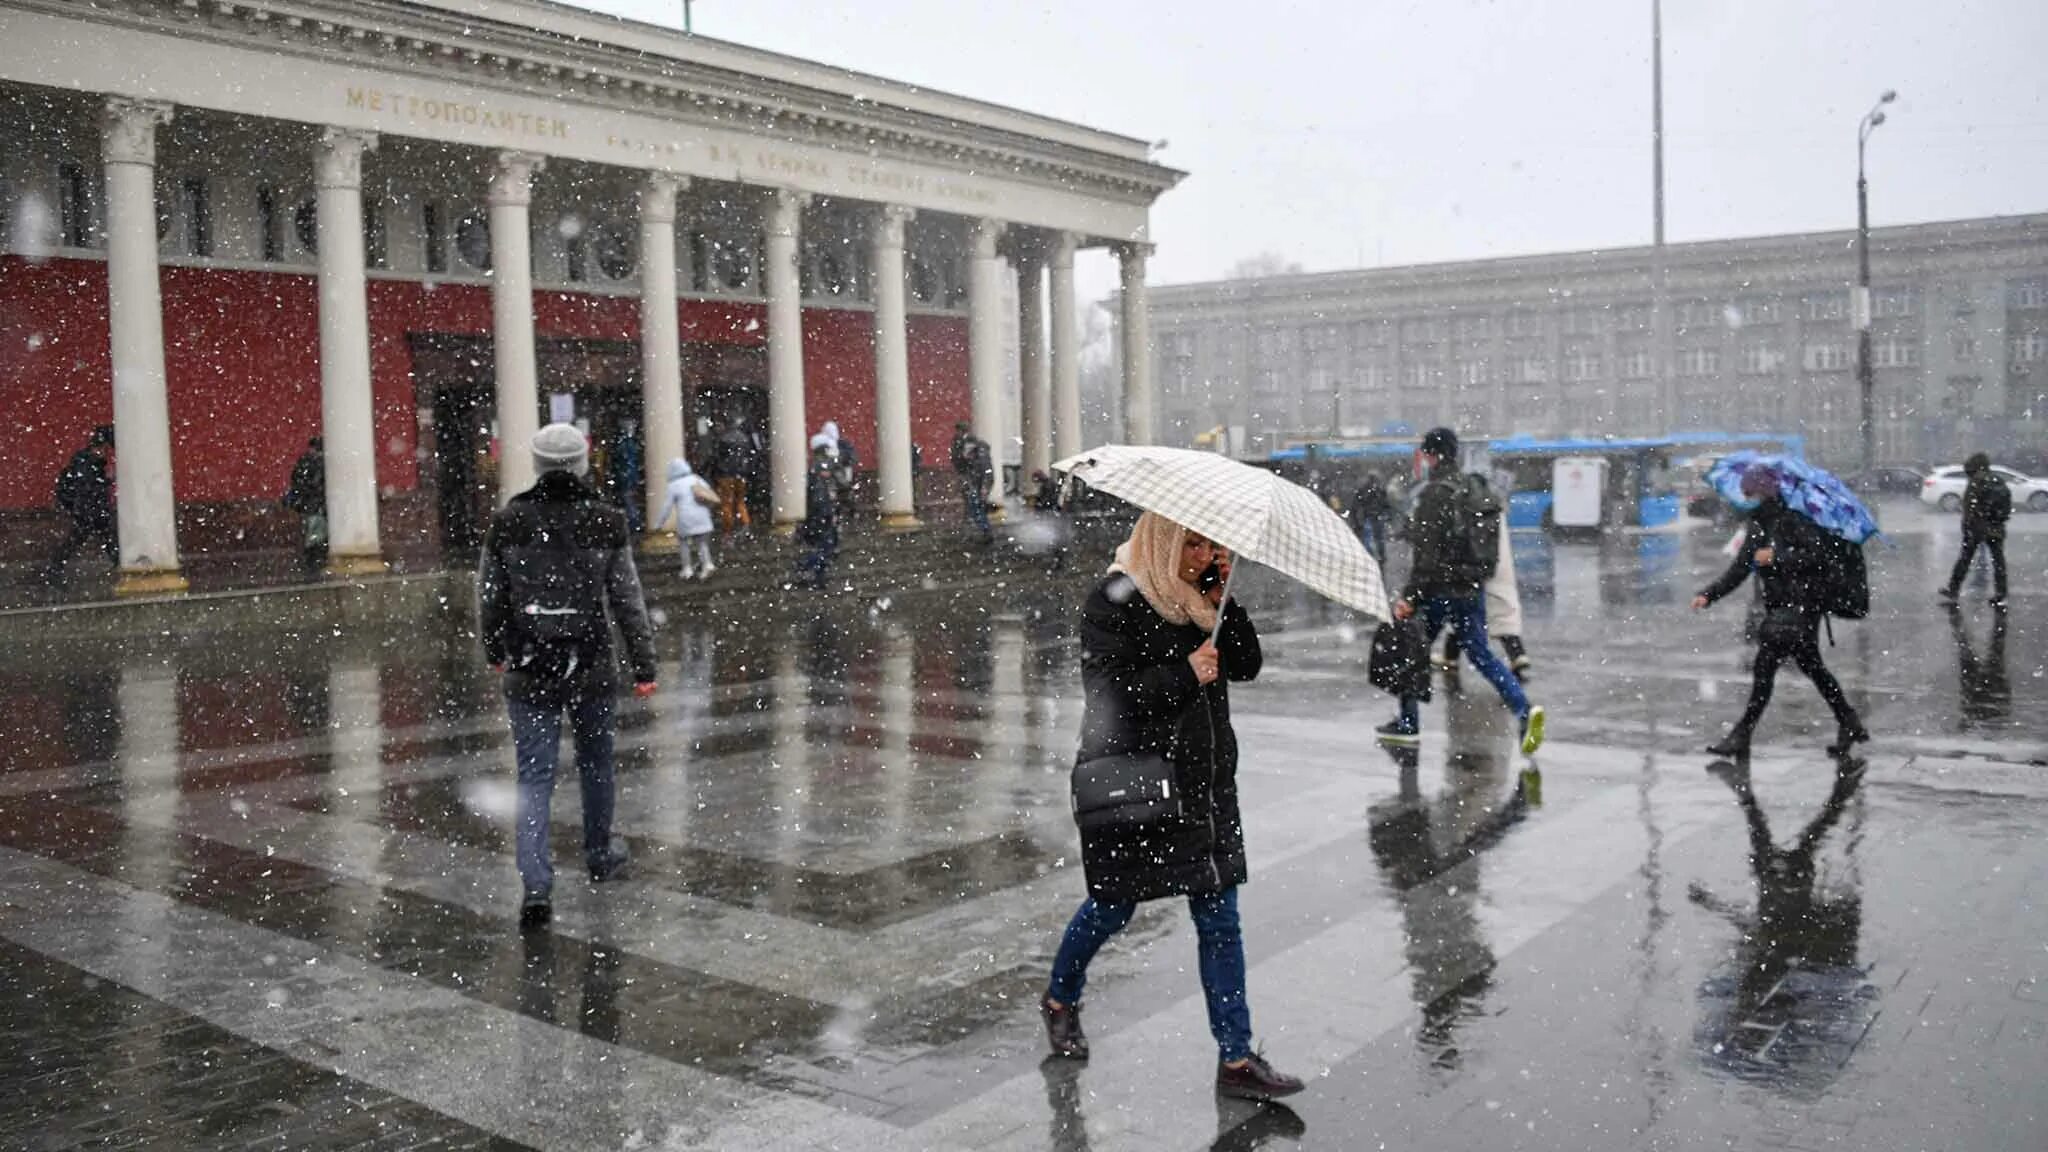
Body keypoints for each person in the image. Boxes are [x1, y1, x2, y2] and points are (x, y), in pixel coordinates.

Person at [1040, 511, 1306, 1102]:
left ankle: (1235, 1060)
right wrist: (1184, 674)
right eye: (1191, 543)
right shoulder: (1115, 600)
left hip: (1205, 790)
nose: (1202, 554)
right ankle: (1060, 998)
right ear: (1160, 541)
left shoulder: (1201, 599)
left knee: (1219, 921)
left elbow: (1247, 664)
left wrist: (1224, 603)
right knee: (1112, 909)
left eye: (1210, 543)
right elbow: (1108, 696)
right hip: (1140, 789)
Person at [477, 423, 658, 930]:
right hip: (591, 663)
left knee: (533, 777)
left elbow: (489, 596)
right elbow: (626, 598)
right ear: (581, 463)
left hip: (529, 664)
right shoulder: (606, 520)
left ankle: (536, 884)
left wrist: (496, 648)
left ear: (536, 464)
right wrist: (643, 664)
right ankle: (599, 853)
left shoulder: (508, 521)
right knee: (596, 764)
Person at [1378, 428, 1546, 754]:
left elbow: (1426, 558)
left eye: (1425, 455)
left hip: (1439, 590)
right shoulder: (1474, 489)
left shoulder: (1434, 494)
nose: (1423, 461)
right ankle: (1524, 710)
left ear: (1433, 455)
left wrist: (1409, 597)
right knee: (1481, 655)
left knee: (1412, 652)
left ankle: (1408, 724)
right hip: (1471, 589)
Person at [1692, 469, 1868, 758]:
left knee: (1765, 671)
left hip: (1802, 606)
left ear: (1766, 492)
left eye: (1751, 494)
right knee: (1813, 668)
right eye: (1745, 495)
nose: (1747, 499)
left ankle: (1741, 736)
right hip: (1781, 607)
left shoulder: (1795, 517)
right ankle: (1848, 721)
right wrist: (1709, 594)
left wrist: (1779, 556)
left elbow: (1820, 558)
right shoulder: (1758, 524)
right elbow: (1740, 568)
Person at [1439, 524, 1534, 686]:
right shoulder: (1494, 509)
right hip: (1493, 549)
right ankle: (1516, 651)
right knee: (1502, 600)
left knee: (1462, 608)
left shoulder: (1461, 507)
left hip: (1469, 556)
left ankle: (1451, 656)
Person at [45, 424, 117, 585]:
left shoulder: (86, 459)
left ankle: (53, 571)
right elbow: (88, 487)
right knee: (103, 540)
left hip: (89, 510)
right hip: (90, 511)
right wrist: (107, 480)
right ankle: (53, 571)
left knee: (93, 540)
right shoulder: (87, 461)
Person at [1937, 453, 2009, 608]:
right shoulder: (1998, 480)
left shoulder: (1976, 481)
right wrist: (1998, 521)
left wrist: (1968, 525)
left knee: (1965, 559)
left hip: (1976, 528)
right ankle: (2001, 594)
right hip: (1996, 527)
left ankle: (1953, 589)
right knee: (1998, 562)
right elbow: (2006, 506)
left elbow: (1970, 507)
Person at [653, 456, 720, 580]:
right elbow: (708, 493)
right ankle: (707, 563)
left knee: (684, 543)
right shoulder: (696, 479)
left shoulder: (674, 485)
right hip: (703, 516)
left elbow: (666, 507)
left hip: (686, 518)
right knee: (702, 543)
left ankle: (687, 568)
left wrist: (658, 524)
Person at [791, 444, 840, 589]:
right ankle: (805, 566)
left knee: (825, 550)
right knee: (825, 550)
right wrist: (827, 517)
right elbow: (819, 503)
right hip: (822, 520)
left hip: (820, 519)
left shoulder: (816, 479)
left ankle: (819, 578)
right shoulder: (819, 482)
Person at [281, 436, 327, 580]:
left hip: (310, 506)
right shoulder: (320, 462)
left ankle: (312, 567)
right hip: (317, 506)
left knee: (312, 536)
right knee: (317, 537)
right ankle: (314, 567)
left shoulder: (306, 462)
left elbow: (298, 482)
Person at [951, 421, 993, 540]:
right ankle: (982, 530)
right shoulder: (962, 443)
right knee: (973, 505)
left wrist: (984, 486)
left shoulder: (974, 446)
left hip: (976, 480)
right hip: (972, 479)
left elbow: (985, 469)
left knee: (975, 505)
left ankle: (985, 531)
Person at [709, 423, 753, 536]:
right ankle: (745, 523)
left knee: (726, 503)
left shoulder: (723, 439)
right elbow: (750, 456)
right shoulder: (744, 438)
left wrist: (713, 472)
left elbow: (716, 457)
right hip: (741, 474)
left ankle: (727, 531)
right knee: (740, 501)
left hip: (726, 475)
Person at [1347, 471, 1393, 564]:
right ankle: (1379, 557)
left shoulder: (1365, 490)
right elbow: (1386, 505)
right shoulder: (1379, 490)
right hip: (1376, 517)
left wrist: (1356, 519)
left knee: (1371, 539)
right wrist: (1387, 515)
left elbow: (1356, 505)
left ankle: (1373, 557)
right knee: (1378, 538)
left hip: (1369, 516)